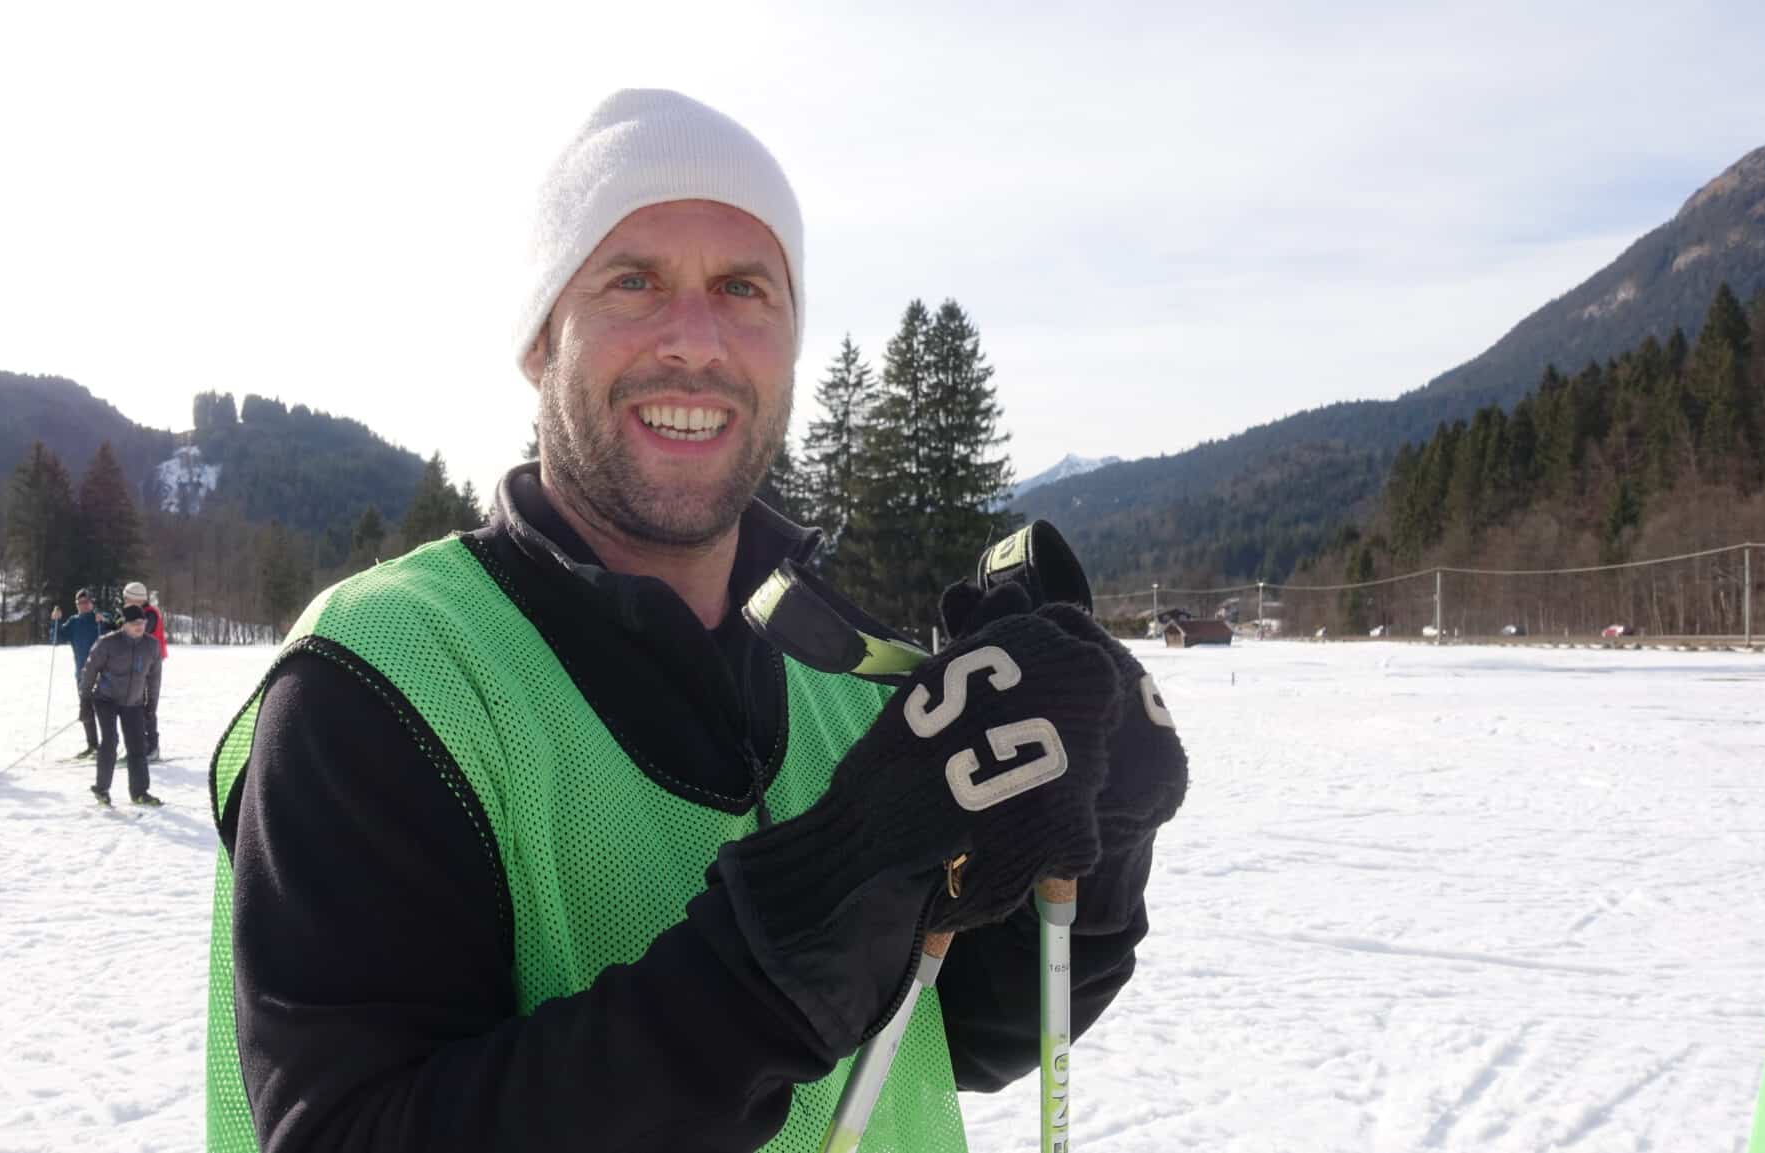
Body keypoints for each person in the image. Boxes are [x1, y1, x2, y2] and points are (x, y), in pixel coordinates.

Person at [202, 90, 1188, 1152]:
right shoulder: (388, 676)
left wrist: (1095, 842)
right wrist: (784, 948)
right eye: (633, 281)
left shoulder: (841, 674)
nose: (696, 340)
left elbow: (954, 1032)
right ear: (540, 340)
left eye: (743, 288)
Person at [77, 603, 162, 808]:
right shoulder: (107, 643)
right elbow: (89, 671)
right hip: (106, 699)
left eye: (142, 622)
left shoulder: (151, 645)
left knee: (137, 745)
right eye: (134, 623)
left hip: (133, 702)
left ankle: (140, 792)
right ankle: (102, 789)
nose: (139, 627)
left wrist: (151, 706)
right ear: (124, 624)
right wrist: (85, 701)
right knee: (110, 741)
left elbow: (154, 678)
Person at [50, 589, 109, 759]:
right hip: (82, 674)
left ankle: (108, 745)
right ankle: (92, 746)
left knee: (104, 711)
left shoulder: (99, 617)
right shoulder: (73, 622)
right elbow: (56, 639)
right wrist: (55, 621)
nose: (83, 606)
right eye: (79, 603)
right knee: (86, 711)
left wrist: (104, 620)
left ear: (92, 603)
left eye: (86, 602)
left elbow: (113, 626)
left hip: (103, 674)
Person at [118, 581, 167, 761]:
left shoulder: (150, 614)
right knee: (134, 705)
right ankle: (138, 746)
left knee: (147, 705)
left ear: (136, 599)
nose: (125, 602)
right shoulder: (134, 613)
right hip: (138, 662)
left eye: (127, 598)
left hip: (150, 664)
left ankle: (152, 747)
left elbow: (141, 632)